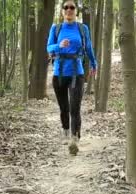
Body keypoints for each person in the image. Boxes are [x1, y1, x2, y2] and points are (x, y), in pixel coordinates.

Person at [47, 0, 97, 153]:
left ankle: (74, 139)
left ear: (76, 11)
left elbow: (88, 47)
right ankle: (66, 130)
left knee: (75, 108)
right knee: (64, 108)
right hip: (59, 73)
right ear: (62, 11)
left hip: (77, 73)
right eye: (66, 7)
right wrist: (59, 46)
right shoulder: (56, 28)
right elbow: (49, 47)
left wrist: (94, 64)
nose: (69, 10)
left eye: (72, 7)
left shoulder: (83, 28)